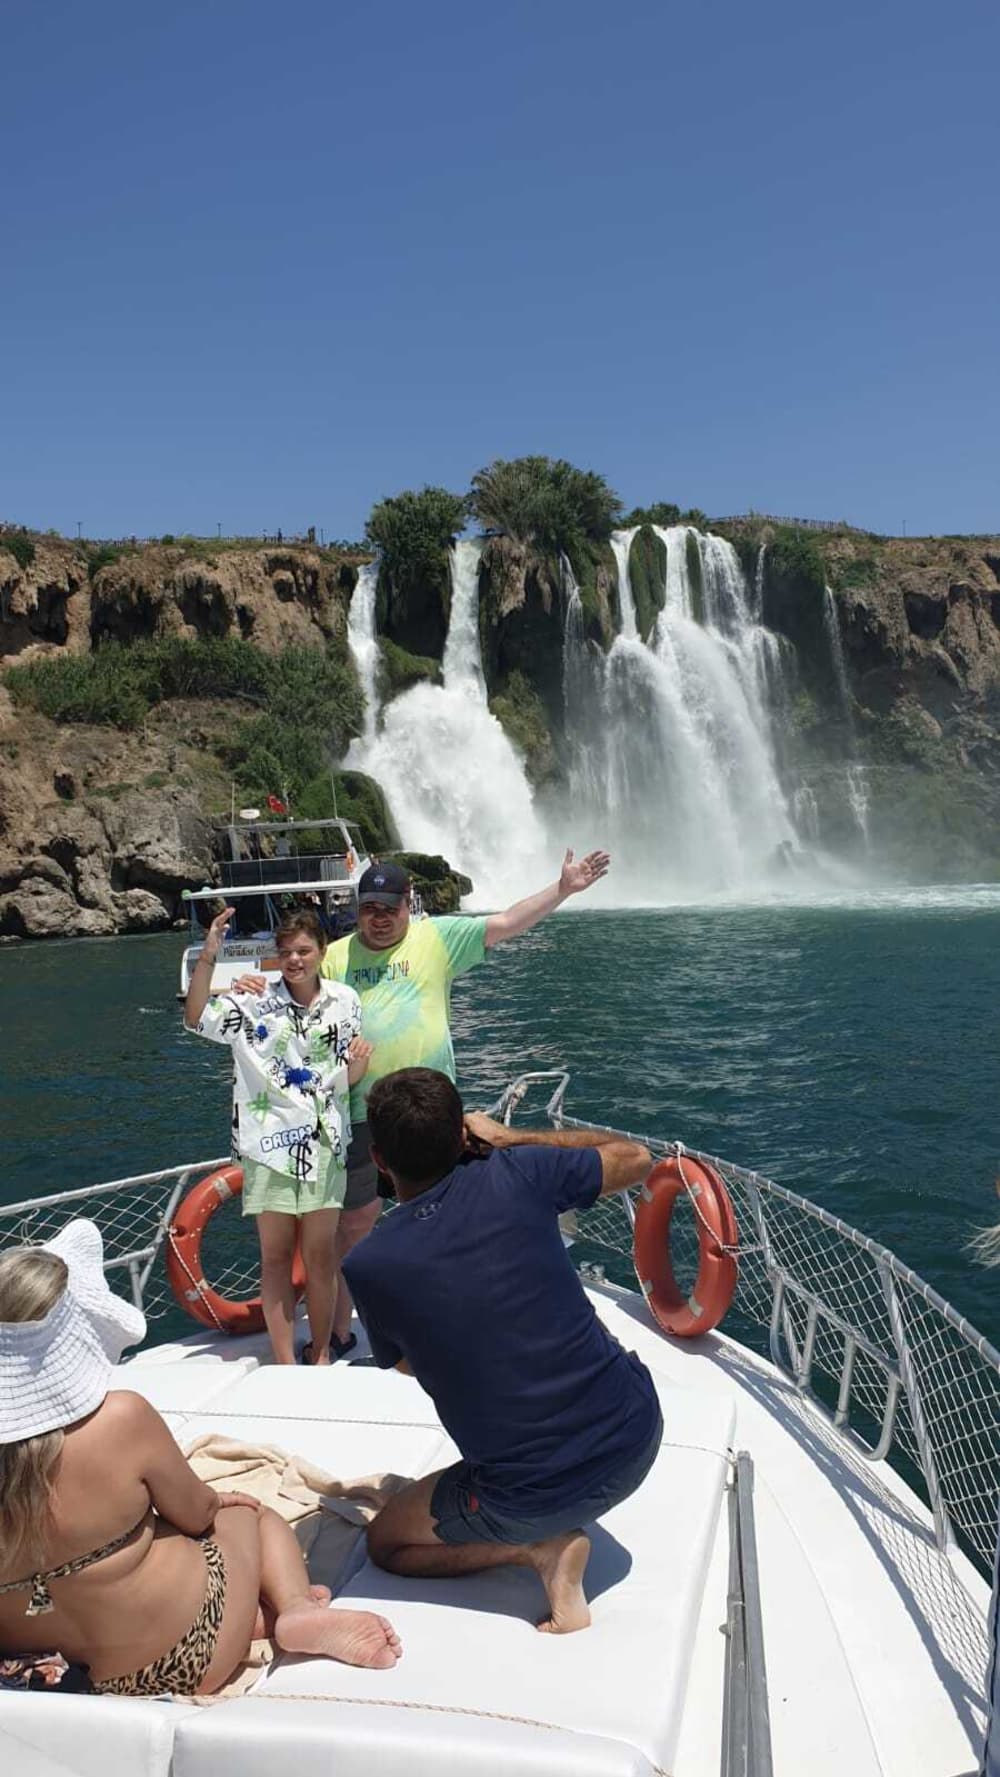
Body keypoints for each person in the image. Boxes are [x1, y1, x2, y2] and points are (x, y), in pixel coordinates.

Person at [234, 846, 610, 1360]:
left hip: (430, 1112)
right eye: (371, 908)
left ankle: (456, 1319)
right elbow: (288, 988)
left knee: (450, 1218)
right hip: (358, 1112)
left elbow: (505, 922)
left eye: (391, 908)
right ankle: (343, 1331)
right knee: (354, 1227)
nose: (381, 918)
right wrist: (251, 983)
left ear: (408, 904)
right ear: (357, 908)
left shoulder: (440, 937)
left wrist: (562, 889)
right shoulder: (338, 954)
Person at [0, 1221, 400, 1694]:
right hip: (185, 1653)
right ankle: (294, 1610)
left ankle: (256, 1618)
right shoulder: (120, 1420)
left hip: (40, 1669)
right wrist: (220, 1500)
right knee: (252, 1514)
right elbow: (196, 1513)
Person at [343, 1068, 661, 1635]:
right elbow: (636, 1158)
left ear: (381, 1162)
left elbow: (406, 1363)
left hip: (530, 1499)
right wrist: (514, 1138)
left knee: (385, 1543)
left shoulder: (371, 1265)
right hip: (638, 1436)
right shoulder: (520, 1171)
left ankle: (538, 1550)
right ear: (466, 1135)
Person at [185, 905, 372, 1366]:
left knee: (321, 1257)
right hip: (268, 1148)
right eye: (286, 952)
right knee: (274, 1257)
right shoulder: (252, 1002)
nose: (295, 959)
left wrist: (360, 1067)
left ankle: (322, 1351)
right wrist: (210, 957)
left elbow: (346, 1073)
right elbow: (194, 1018)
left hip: (325, 1144)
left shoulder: (346, 1001)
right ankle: (286, 1361)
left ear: (322, 952)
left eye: (304, 950)